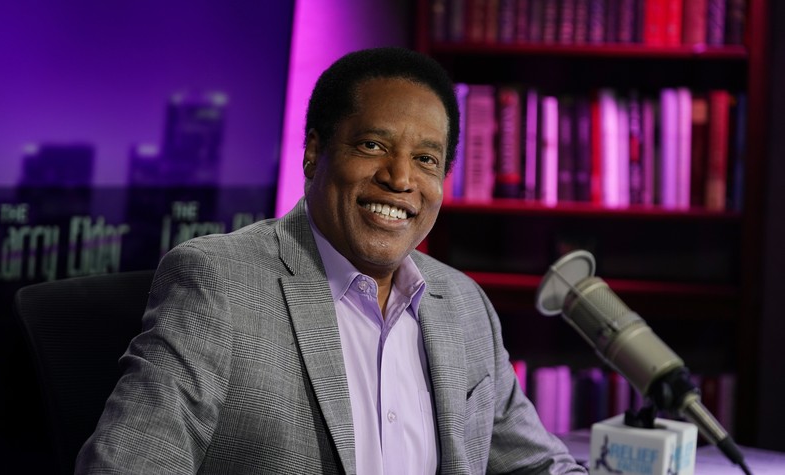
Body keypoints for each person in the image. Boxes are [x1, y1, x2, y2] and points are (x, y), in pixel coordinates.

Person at [76, 47, 585, 474]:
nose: (400, 178)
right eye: (372, 145)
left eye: (426, 160)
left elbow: (536, 466)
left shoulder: (464, 304)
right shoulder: (218, 283)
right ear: (314, 154)